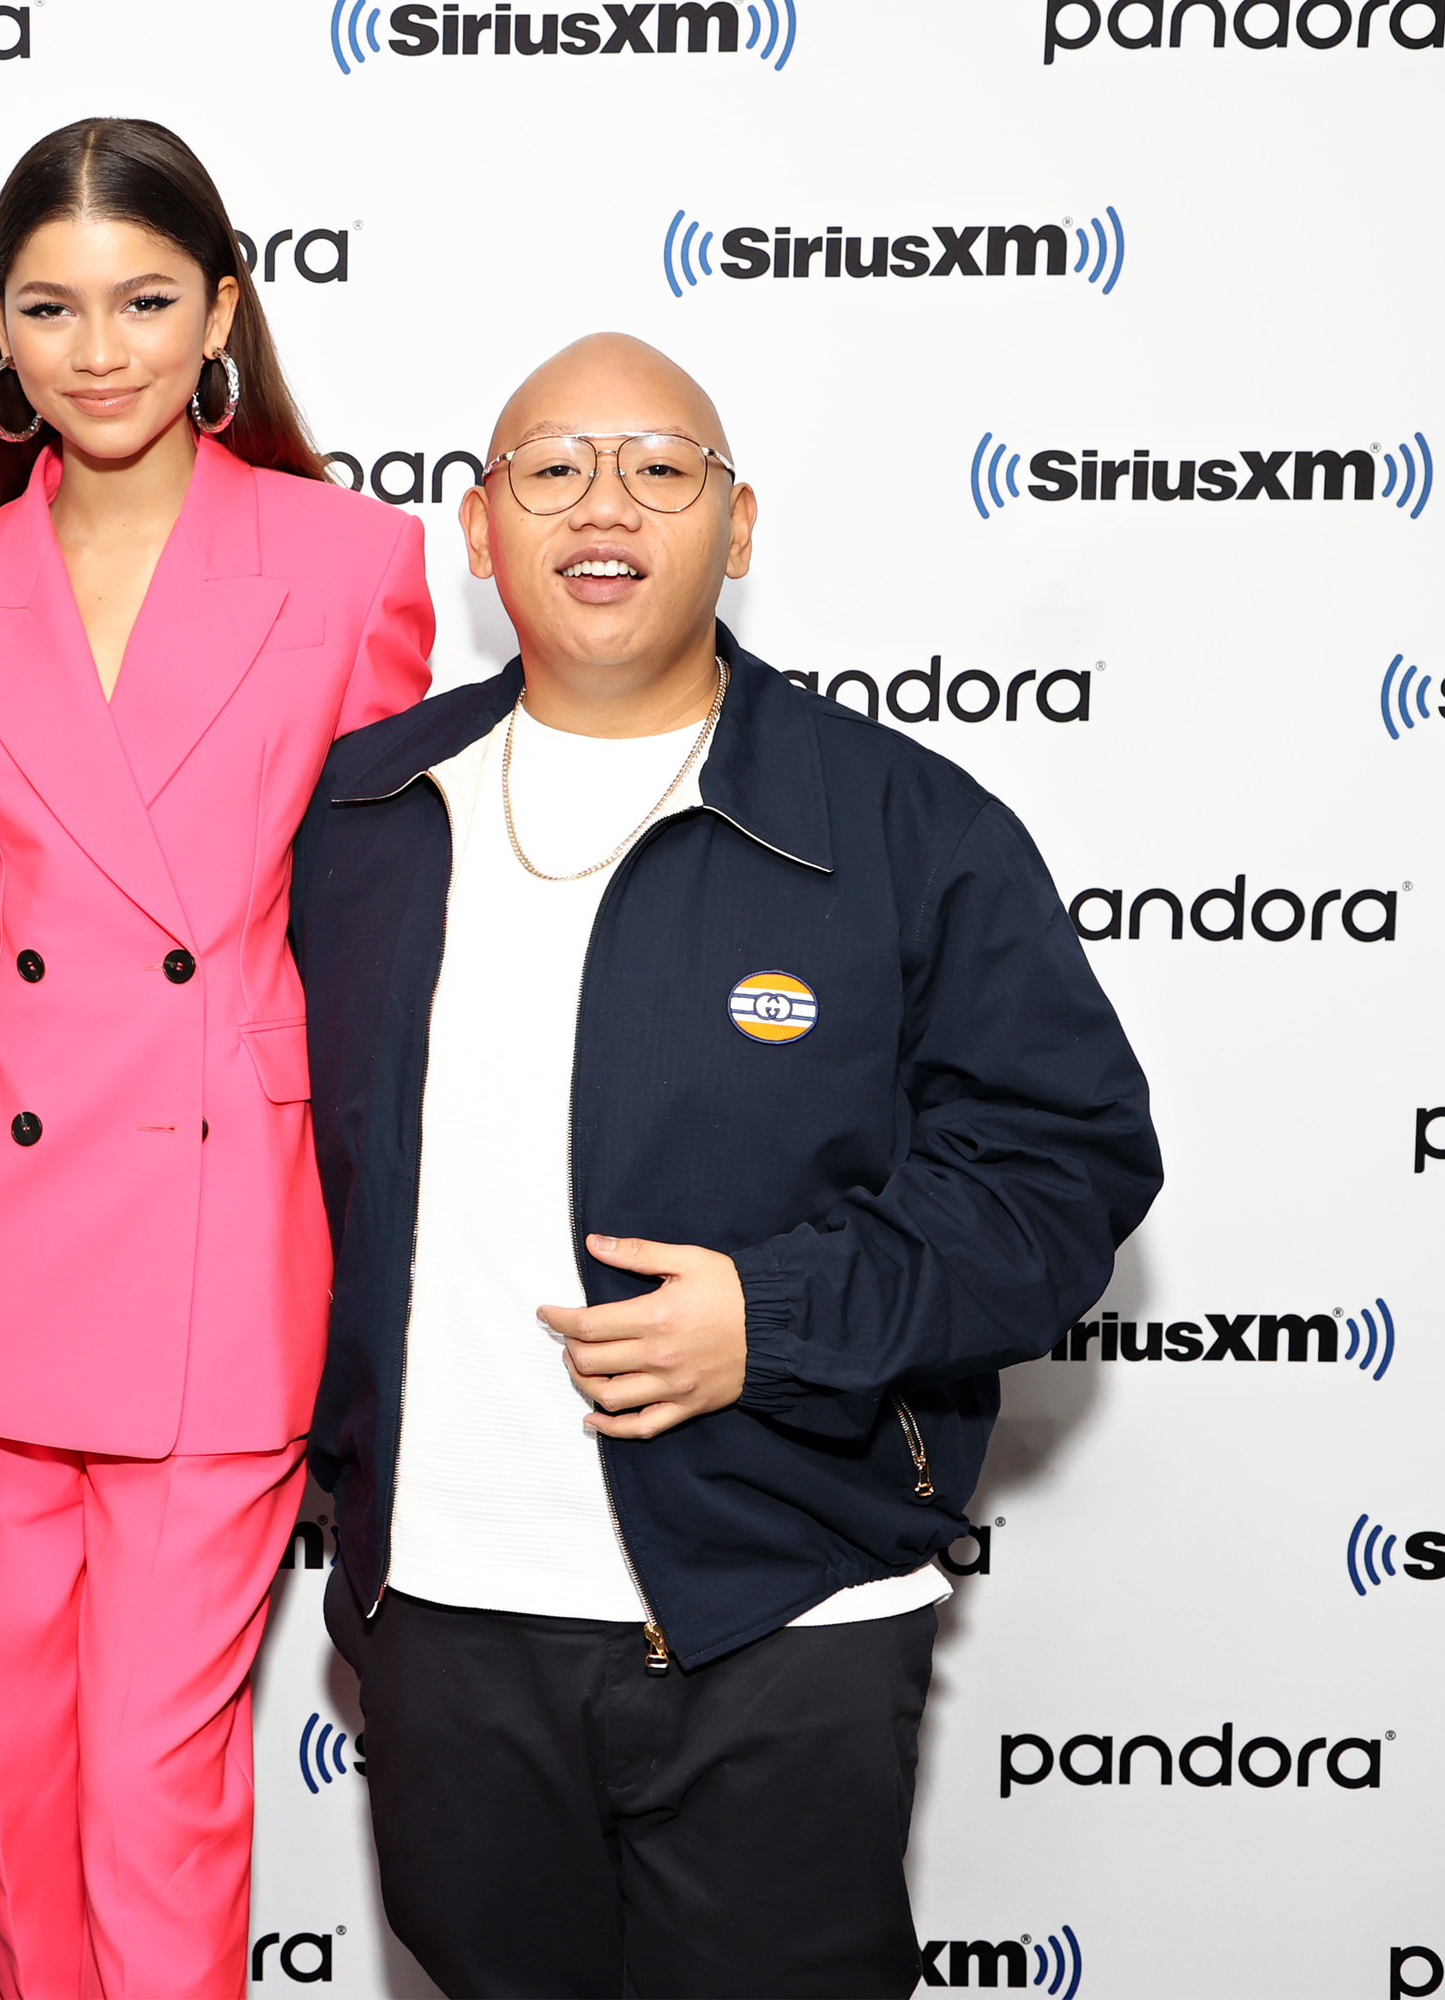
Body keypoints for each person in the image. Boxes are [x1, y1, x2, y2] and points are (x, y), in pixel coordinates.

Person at [289, 334, 1162, 2000]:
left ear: (739, 522)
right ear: (479, 531)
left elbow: (1063, 1175)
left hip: (783, 1618)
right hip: (449, 1627)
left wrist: (777, 1317)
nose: (601, 503)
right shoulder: (360, 814)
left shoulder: (904, 824)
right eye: (550, 467)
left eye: (660, 467)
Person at [0, 117, 435, 2000]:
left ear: (222, 316)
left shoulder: (352, 563)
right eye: (49, 306)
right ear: (0, 339)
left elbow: (386, 920)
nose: (97, 348)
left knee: (153, 1796)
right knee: (15, 1795)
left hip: (221, 1235)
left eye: (143, 300)